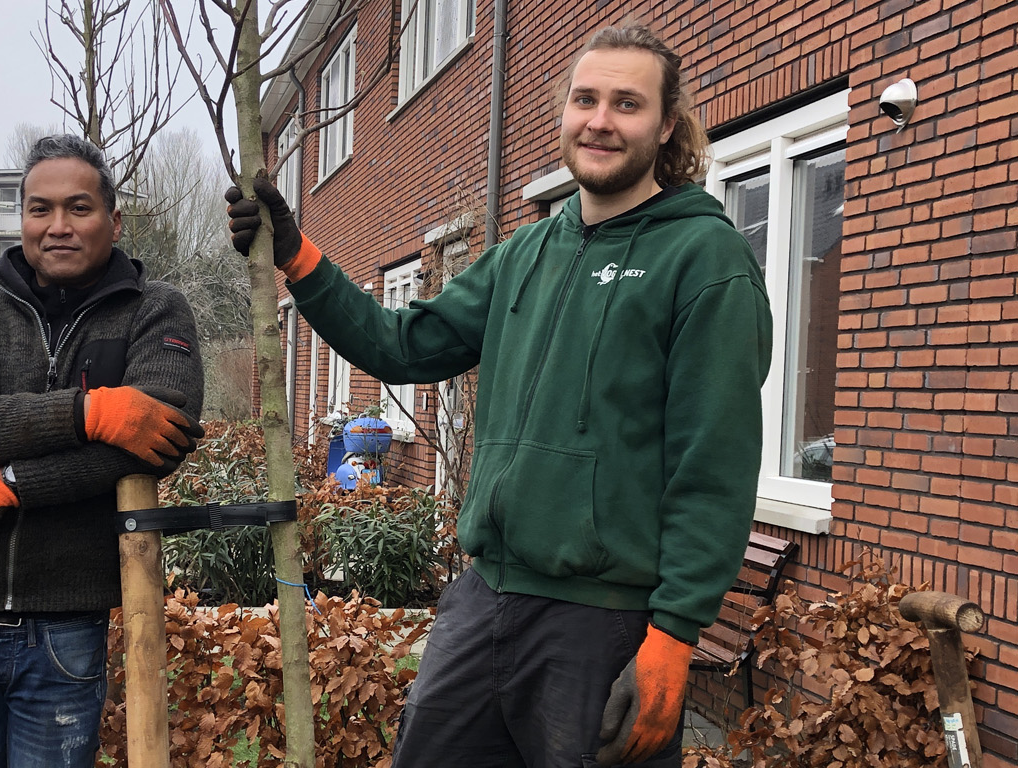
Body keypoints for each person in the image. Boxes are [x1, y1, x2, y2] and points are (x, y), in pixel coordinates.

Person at [226, 23, 772, 768]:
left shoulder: (705, 260)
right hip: (484, 600)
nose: (601, 120)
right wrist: (297, 255)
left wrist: (674, 635)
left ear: (667, 125)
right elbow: (401, 343)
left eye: (627, 104)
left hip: (603, 624)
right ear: (563, 112)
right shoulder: (526, 254)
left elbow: (716, 462)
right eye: (585, 99)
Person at [0, 134, 205, 767]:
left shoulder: (153, 314)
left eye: (79, 207)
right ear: (21, 221)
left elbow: (161, 440)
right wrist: (90, 411)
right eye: (39, 209)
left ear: (114, 220)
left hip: (64, 631)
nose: (58, 226)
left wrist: (8, 483)